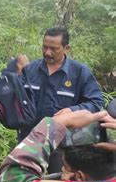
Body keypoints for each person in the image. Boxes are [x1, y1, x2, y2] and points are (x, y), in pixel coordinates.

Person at [6, 27, 103, 172]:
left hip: (62, 146)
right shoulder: (30, 69)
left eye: (54, 49)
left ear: (66, 48)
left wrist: (71, 110)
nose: (47, 52)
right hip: (30, 141)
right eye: (44, 47)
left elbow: (96, 103)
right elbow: (15, 100)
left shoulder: (80, 72)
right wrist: (13, 75)